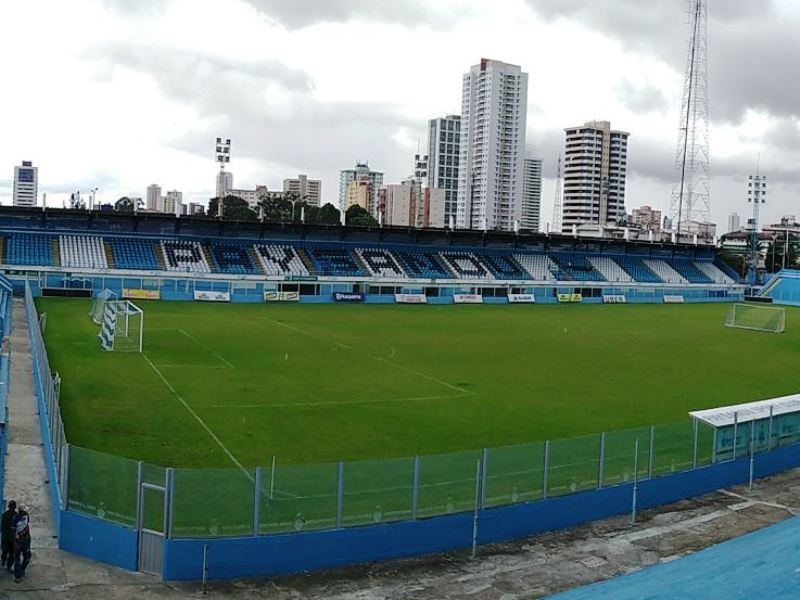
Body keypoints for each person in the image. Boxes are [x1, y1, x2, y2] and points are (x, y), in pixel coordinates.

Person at [12, 505, 30, 583]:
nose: (26, 511)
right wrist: (15, 543)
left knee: (27, 557)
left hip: (26, 540)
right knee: (17, 560)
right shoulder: (15, 519)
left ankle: (22, 570)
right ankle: (17, 576)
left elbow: (27, 525)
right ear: (21, 511)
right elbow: (13, 532)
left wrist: (29, 537)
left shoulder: (26, 515)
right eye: (25, 510)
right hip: (18, 541)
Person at [0, 501, 15, 572]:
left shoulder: (4, 514)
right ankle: (9, 566)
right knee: (12, 553)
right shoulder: (16, 515)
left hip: (6, 537)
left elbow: (2, 526)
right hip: (12, 538)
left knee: (5, 551)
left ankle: (3, 561)